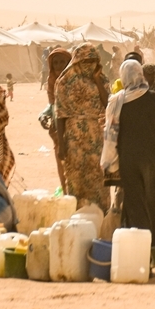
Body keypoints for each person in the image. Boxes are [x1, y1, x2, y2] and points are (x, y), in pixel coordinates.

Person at [102, 60, 155, 245]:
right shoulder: (153, 98)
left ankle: (139, 245)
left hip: (129, 159)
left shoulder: (117, 102)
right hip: (152, 158)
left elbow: (112, 133)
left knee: (135, 203)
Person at [54, 44, 109, 209]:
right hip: (74, 136)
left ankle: (100, 211)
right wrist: (61, 144)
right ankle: (78, 211)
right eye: (86, 60)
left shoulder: (102, 79)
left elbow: (108, 104)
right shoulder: (64, 82)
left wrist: (97, 80)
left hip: (96, 135)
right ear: (77, 60)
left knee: (97, 175)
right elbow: (60, 114)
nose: (89, 64)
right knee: (76, 175)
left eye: (93, 60)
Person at [42, 47, 73, 191]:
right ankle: (66, 193)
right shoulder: (52, 82)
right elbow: (53, 105)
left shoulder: (75, 82)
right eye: (55, 63)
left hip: (74, 130)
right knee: (62, 165)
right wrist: (43, 114)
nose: (59, 66)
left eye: (62, 62)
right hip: (57, 130)